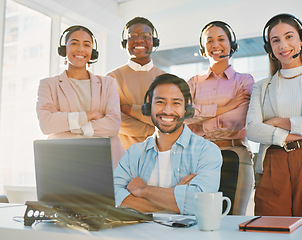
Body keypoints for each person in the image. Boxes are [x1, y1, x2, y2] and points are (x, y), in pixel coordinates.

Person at [246, 14, 302, 217]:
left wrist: (278, 122)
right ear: (269, 48)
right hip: (273, 162)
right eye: (275, 40)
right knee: (271, 231)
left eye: (289, 37)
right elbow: (252, 129)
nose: (283, 45)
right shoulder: (261, 87)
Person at [114, 73, 222, 215]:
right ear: (148, 107)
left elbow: (201, 204)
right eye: (160, 102)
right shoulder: (134, 152)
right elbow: (114, 196)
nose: (167, 110)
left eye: (176, 103)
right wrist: (177, 200)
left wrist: (144, 190)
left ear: (186, 109)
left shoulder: (207, 151)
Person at [186, 21, 254, 215]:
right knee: (199, 218)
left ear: (231, 44)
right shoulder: (193, 83)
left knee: (233, 218)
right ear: (203, 48)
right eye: (209, 40)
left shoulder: (244, 80)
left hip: (236, 155)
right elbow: (183, 115)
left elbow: (240, 117)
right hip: (199, 158)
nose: (215, 45)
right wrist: (226, 106)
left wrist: (202, 114)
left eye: (221, 39)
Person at [36, 25, 123, 169]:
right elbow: (46, 125)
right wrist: (89, 115)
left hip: (104, 161)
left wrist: (70, 127)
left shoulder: (108, 83)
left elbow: (113, 125)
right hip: (64, 160)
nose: (81, 49)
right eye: (74, 43)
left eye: (87, 45)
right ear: (64, 49)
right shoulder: (48, 84)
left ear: (92, 52)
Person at [107, 17, 165, 151]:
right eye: (133, 36)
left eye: (145, 36)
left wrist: (128, 109)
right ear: (124, 43)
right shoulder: (111, 79)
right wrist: (152, 128)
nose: (139, 40)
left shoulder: (167, 79)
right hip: (122, 156)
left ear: (154, 42)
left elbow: (169, 119)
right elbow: (113, 120)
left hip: (159, 155)